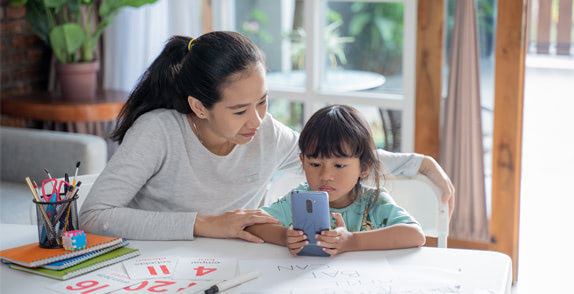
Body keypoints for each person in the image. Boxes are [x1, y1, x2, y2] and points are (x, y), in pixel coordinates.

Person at [80, 31, 454, 242]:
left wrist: (422, 163)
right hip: (153, 266)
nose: (257, 120)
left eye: (263, 101)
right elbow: (93, 216)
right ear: (198, 107)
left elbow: (339, 153)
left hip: (234, 266)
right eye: (240, 110)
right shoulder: (158, 132)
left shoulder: (266, 134)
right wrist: (204, 223)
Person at [247, 105, 425, 255]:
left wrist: (351, 241)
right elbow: (251, 225)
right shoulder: (299, 201)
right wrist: (284, 236)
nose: (325, 176)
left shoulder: (373, 202)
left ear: (364, 167)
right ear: (303, 162)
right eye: (315, 164)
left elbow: (415, 235)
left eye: (339, 166)